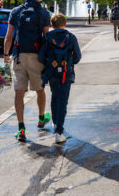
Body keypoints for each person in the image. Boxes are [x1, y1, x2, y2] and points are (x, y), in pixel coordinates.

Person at [3, 0, 51, 141]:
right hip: (37, 56)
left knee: (19, 92)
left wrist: (6, 54)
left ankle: (21, 128)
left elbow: (9, 36)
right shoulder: (43, 12)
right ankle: (41, 118)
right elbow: (47, 37)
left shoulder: (16, 11)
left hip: (19, 55)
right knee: (40, 89)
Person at [38, 13, 81, 143]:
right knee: (63, 101)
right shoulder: (71, 37)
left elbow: (41, 57)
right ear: (65, 24)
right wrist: (68, 62)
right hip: (65, 73)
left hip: (51, 72)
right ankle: (58, 132)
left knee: (55, 96)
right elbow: (78, 57)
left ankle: (55, 123)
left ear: (51, 25)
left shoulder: (47, 37)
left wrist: (49, 64)